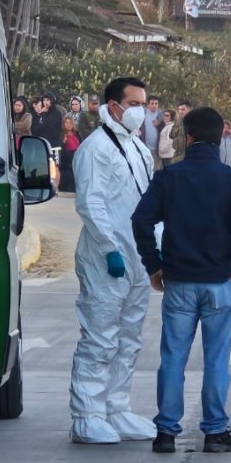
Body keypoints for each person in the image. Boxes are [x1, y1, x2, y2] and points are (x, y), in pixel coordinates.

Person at [133, 107, 231, 454]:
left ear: (188, 138)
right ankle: (216, 431)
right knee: (216, 360)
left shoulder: (169, 177)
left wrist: (154, 264)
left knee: (173, 357)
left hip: (178, 281)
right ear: (221, 134)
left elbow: (141, 220)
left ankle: (165, 431)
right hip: (220, 281)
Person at [68, 77, 157, 444]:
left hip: (136, 256)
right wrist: (109, 249)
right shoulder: (95, 148)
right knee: (100, 338)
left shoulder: (139, 149)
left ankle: (116, 408)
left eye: (144, 103)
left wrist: (154, 249)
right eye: (134, 103)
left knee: (129, 338)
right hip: (106, 259)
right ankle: (87, 415)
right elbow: (91, 204)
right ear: (113, 105)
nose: (141, 110)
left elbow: (147, 202)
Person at [60, 116, 82, 193]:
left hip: (77, 157)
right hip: (67, 160)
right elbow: (61, 149)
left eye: (70, 123)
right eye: (67, 123)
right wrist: (63, 142)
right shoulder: (62, 134)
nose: (69, 125)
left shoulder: (77, 134)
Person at [142, 97, 163, 162]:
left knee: (156, 167)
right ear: (148, 105)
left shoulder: (161, 114)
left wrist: (159, 124)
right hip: (145, 145)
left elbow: (166, 128)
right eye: (152, 103)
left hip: (157, 147)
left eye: (156, 103)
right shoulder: (142, 113)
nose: (154, 105)